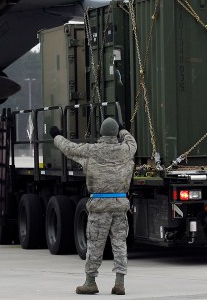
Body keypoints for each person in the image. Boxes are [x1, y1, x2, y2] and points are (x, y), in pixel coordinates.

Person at [49, 117, 136, 296]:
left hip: (99, 205)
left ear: (102, 132)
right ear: (115, 133)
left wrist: (56, 135)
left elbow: (68, 148)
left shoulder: (91, 151)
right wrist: (122, 130)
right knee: (120, 244)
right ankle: (120, 283)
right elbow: (131, 141)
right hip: (120, 205)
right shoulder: (126, 150)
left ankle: (90, 282)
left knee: (95, 244)